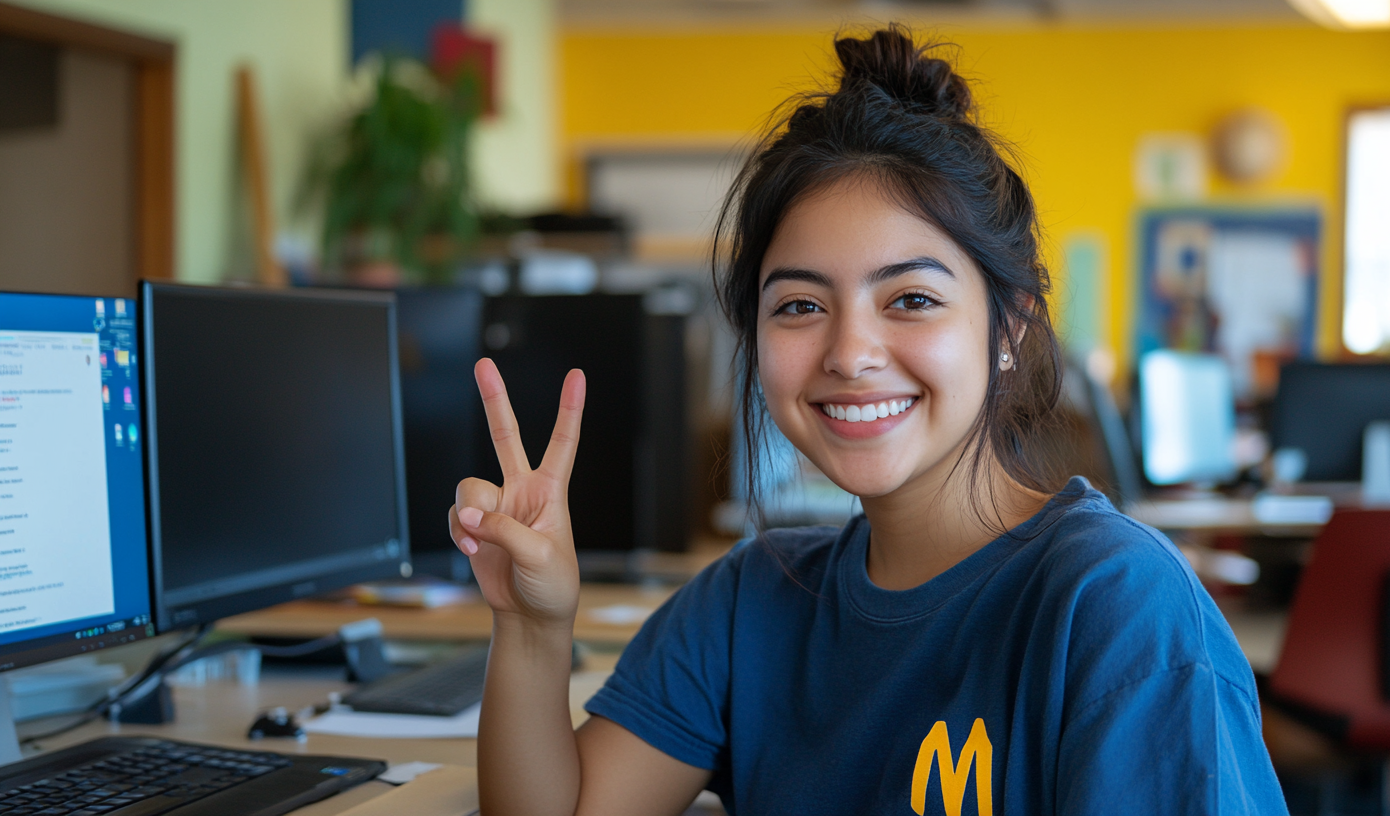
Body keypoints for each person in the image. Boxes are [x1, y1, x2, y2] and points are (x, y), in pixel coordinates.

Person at [448, 25, 1287, 816]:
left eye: (912, 299)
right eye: (801, 304)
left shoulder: (1115, 603)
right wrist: (529, 628)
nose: (850, 353)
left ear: (1010, 328)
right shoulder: (748, 603)